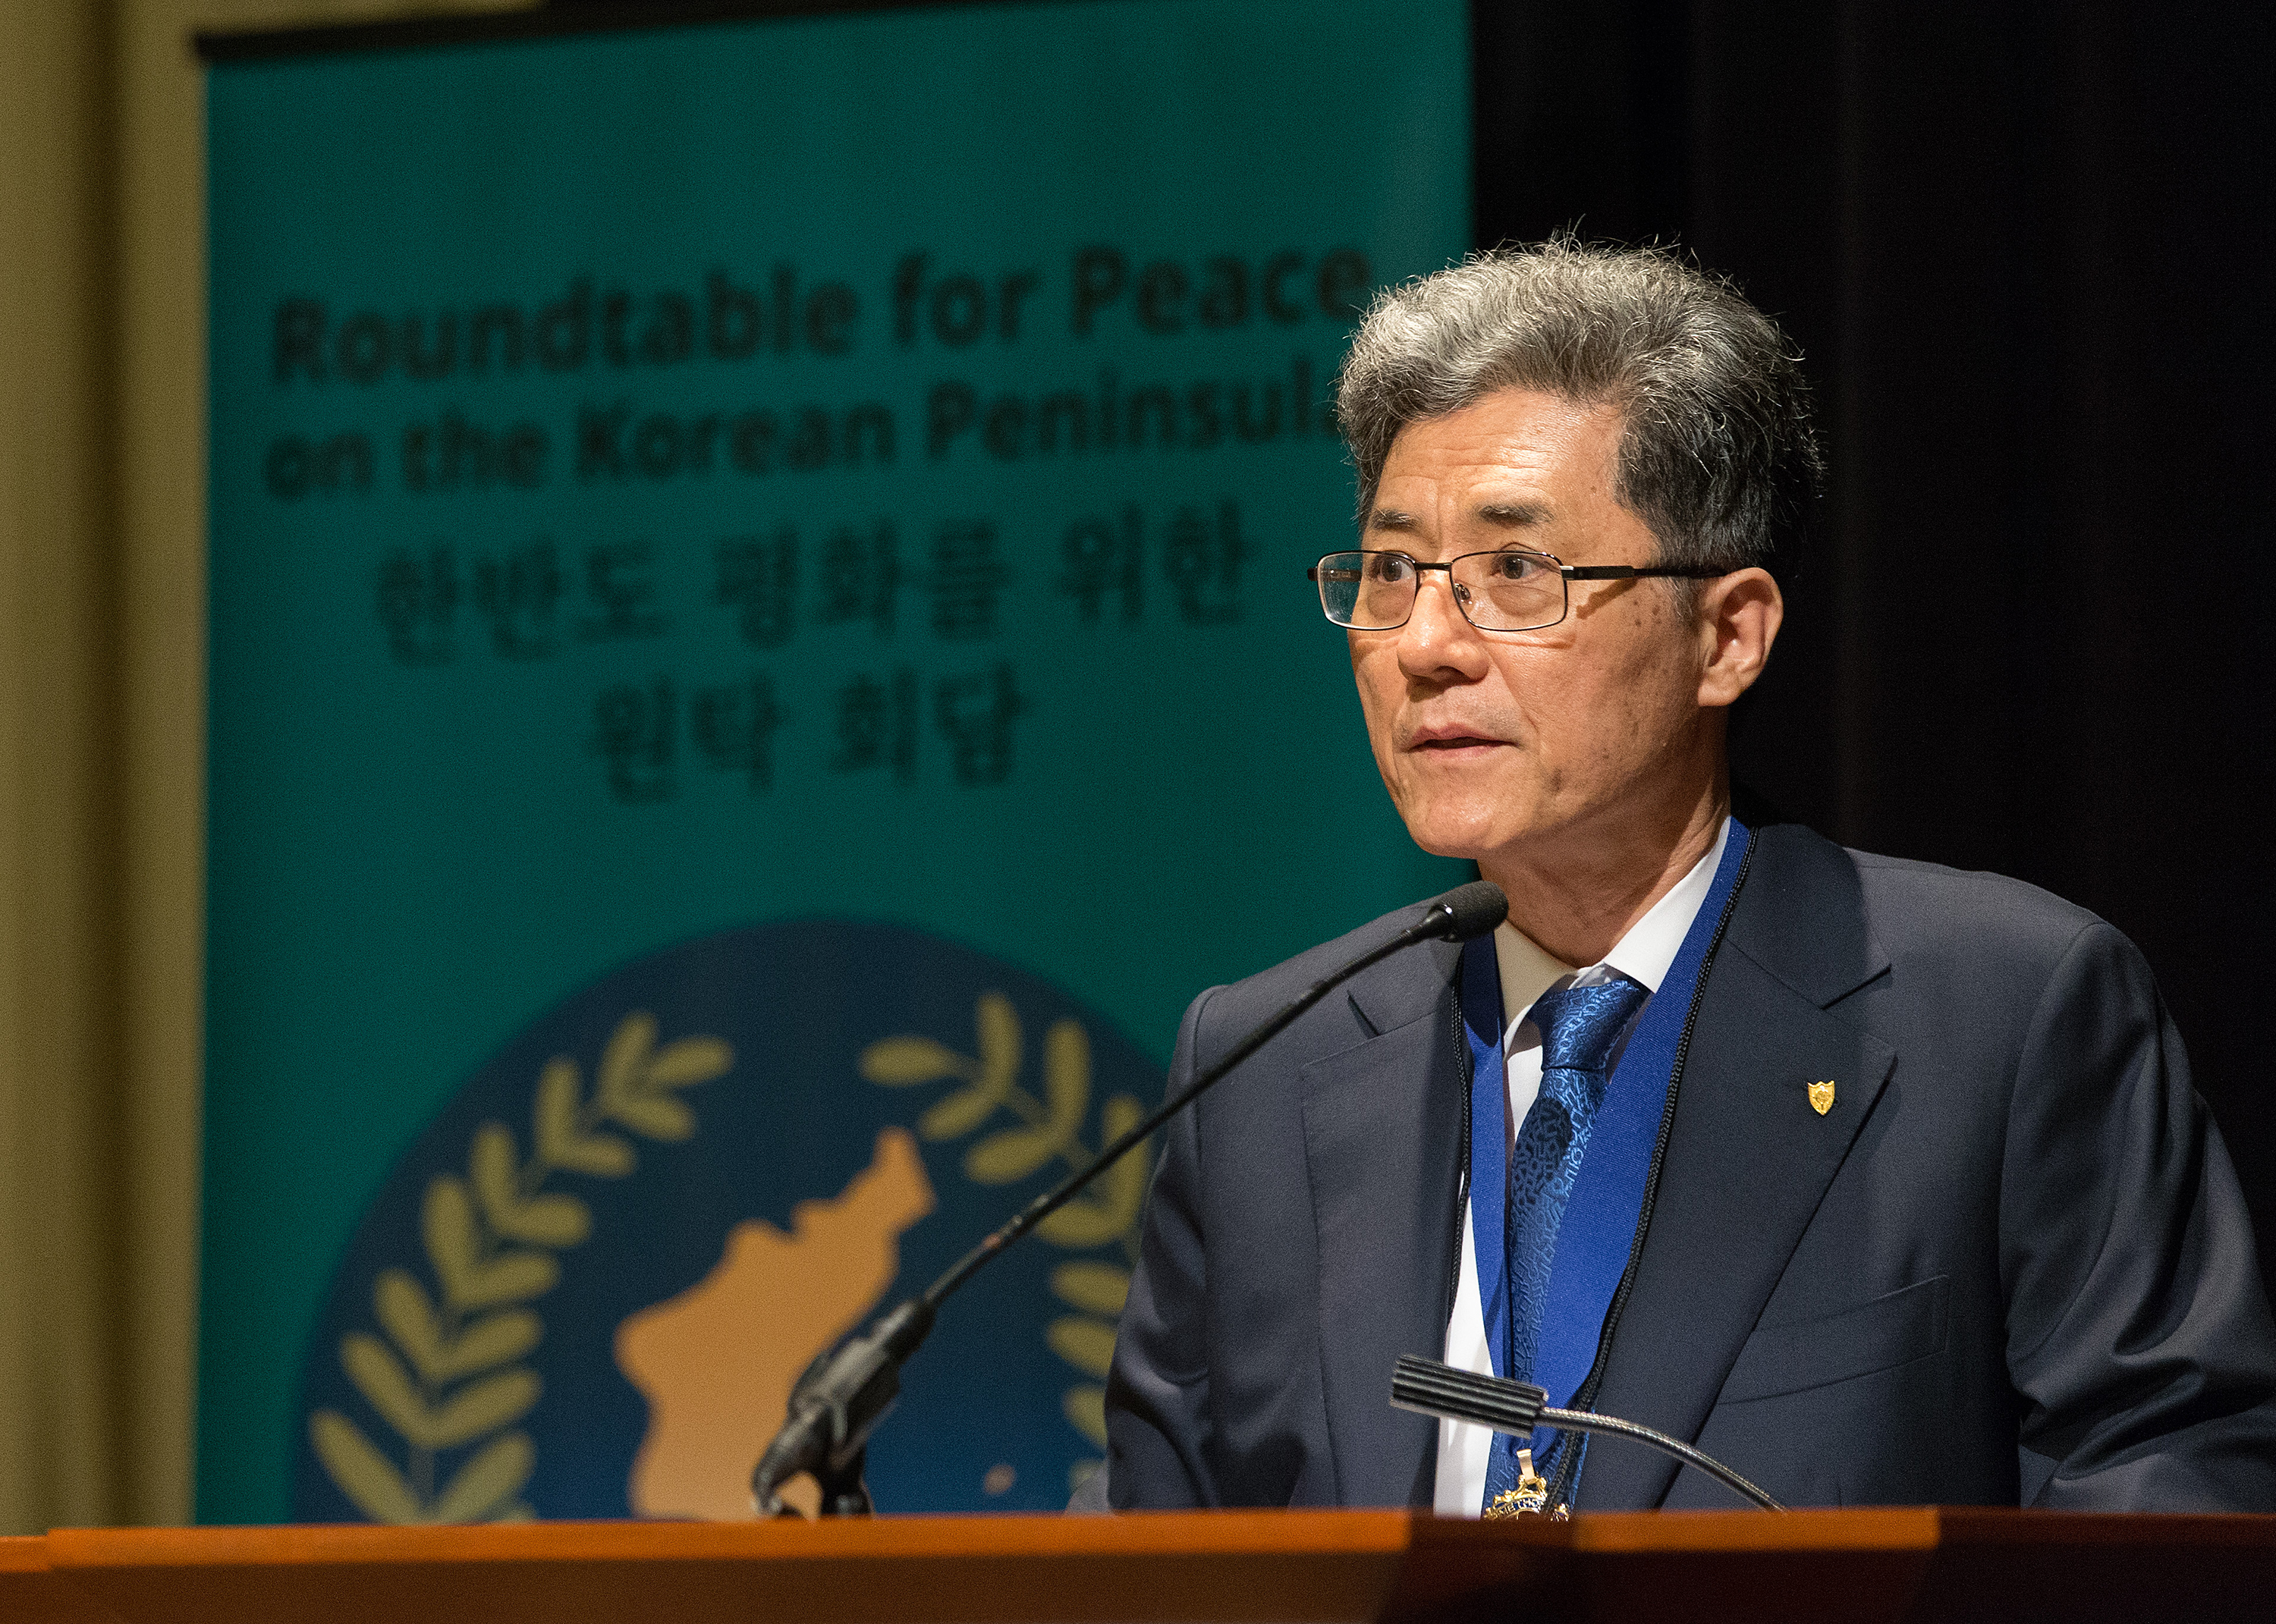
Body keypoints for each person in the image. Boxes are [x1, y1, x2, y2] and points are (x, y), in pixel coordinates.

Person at [1079, 240, 2276, 1515]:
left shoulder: (1998, 1015)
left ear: (1727, 634)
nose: (1426, 644)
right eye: (1390, 572)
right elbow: (1149, 1557)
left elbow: (2165, 1488)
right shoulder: (1262, 1066)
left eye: (1515, 574)